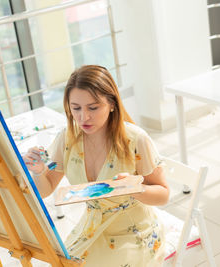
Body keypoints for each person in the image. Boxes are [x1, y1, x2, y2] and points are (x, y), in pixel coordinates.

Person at [23, 65, 170, 267]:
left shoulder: (135, 139)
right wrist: (39, 171)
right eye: (76, 108)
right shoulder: (67, 139)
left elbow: (163, 194)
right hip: (93, 229)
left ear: (111, 104)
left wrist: (136, 188)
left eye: (93, 108)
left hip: (136, 233)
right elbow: (45, 190)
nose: (84, 117)